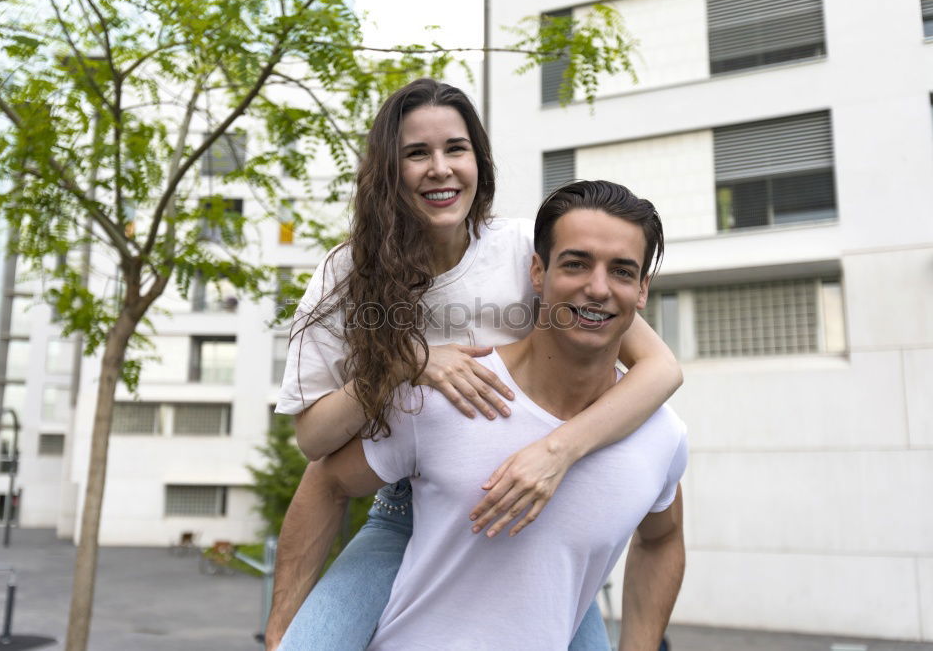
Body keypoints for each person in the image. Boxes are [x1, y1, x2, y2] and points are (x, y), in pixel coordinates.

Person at [265, 80, 682, 650]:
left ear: (479, 162)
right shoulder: (345, 279)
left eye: (456, 149)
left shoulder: (522, 252)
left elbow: (660, 372)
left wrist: (556, 452)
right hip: (408, 501)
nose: (440, 169)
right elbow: (315, 443)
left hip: (539, 494)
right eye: (417, 153)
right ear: (388, 170)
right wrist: (404, 361)